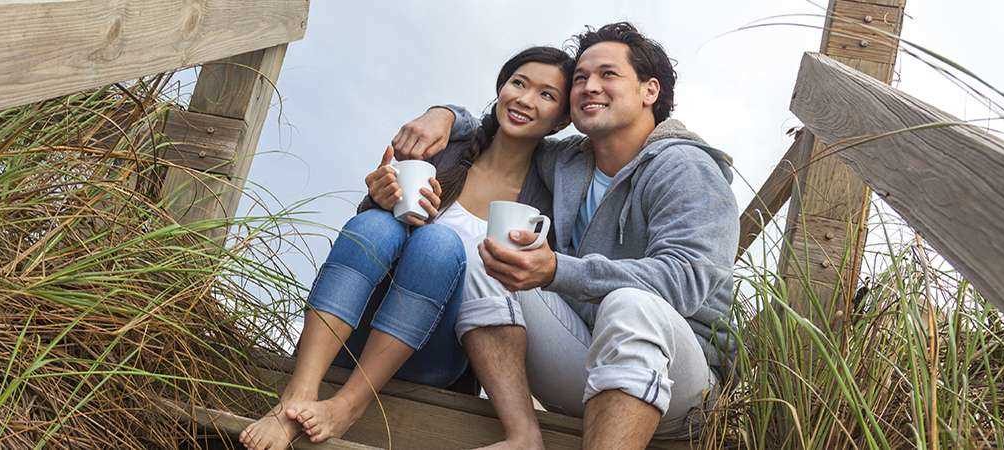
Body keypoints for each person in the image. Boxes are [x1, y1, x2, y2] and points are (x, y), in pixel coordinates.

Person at [392, 22, 739, 449]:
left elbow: (685, 283)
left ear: (649, 92)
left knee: (631, 306)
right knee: (490, 256)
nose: (590, 86)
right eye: (580, 78)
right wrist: (443, 113)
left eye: (608, 75)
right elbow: (508, 125)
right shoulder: (567, 161)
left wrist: (558, 269)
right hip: (586, 357)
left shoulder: (685, 167)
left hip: (682, 386)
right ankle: (524, 436)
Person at [239, 46, 575, 450]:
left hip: (437, 355)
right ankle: (298, 393)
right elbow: (368, 234)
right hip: (356, 329)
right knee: (376, 224)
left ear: (562, 119)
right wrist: (380, 197)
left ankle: (348, 405)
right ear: (501, 87)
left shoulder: (551, 195)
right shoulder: (447, 149)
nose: (524, 99)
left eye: (546, 95)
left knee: (438, 242)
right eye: (518, 83)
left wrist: (446, 111)